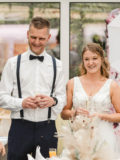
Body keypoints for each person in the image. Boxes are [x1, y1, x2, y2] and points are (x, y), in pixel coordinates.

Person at [0, 17, 66, 160]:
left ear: (48, 37)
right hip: (19, 129)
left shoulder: (58, 65)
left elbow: (62, 98)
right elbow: (2, 97)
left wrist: (52, 101)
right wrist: (21, 103)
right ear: (27, 34)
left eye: (41, 38)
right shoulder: (12, 64)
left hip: (48, 129)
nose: (36, 42)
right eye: (33, 37)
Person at [61, 43, 120, 156]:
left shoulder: (112, 85)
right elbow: (63, 113)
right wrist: (74, 113)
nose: (90, 63)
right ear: (83, 61)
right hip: (77, 137)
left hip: (104, 137)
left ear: (102, 59)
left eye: (94, 58)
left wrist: (101, 116)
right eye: (86, 59)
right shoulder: (73, 83)